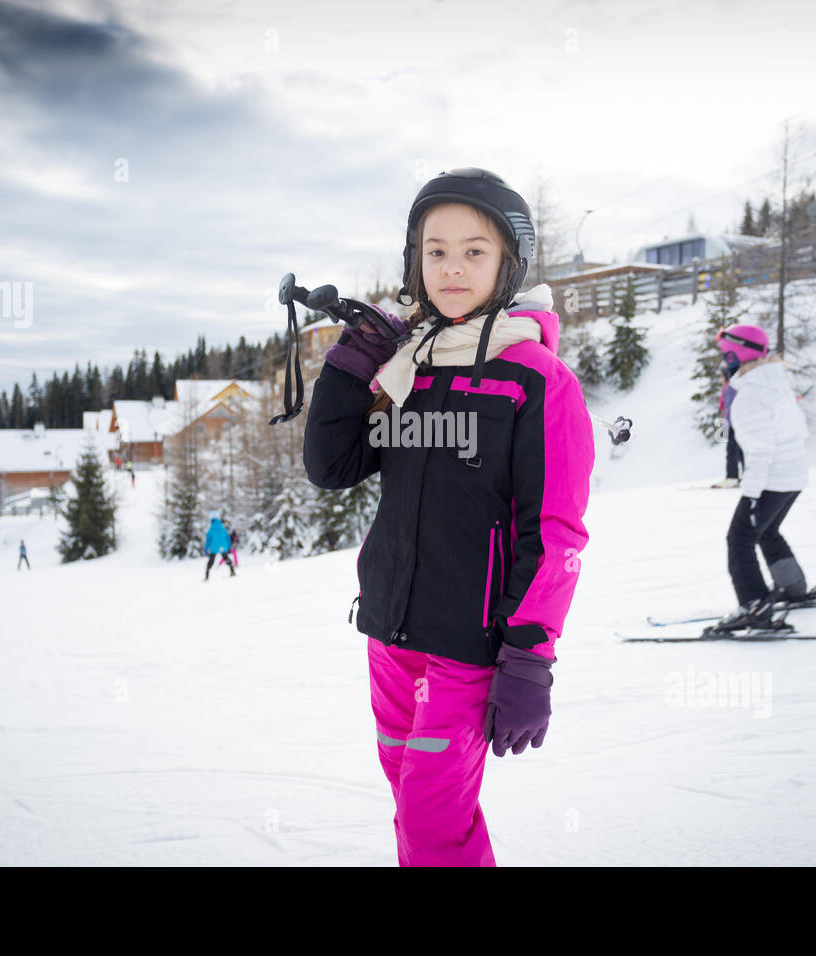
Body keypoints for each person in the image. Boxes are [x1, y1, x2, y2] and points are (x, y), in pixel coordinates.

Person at [303, 167, 594, 866]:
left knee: (433, 818)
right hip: (390, 634)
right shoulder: (411, 369)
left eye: (474, 250)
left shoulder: (537, 380)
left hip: (469, 648)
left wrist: (530, 656)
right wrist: (352, 365)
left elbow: (555, 533)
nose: (452, 267)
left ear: (508, 264)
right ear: (414, 261)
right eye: (436, 251)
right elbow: (332, 466)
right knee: (419, 807)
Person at [711, 324, 811, 630]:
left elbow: (760, 451)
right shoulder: (775, 381)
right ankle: (793, 589)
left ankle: (754, 606)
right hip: (793, 476)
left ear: (736, 353)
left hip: (772, 479)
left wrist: (751, 495)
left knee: (739, 538)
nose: (722, 361)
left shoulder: (749, 395)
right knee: (767, 532)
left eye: (725, 354)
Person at [711, 370, 744, 488]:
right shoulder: (728, 387)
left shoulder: (730, 388)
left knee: (732, 450)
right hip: (729, 422)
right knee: (739, 449)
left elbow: (726, 406)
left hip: (732, 423)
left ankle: (732, 477)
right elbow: (723, 405)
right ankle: (744, 475)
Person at [203, 510, 235, 580]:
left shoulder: (211, 529)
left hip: (213, 547)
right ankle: (232, 570)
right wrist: (229, 547)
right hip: (223, 547)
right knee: (226, 557)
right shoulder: (222, 528)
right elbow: (227, 538)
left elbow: (208, 540)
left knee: (211, 561)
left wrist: (206, 548)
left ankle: (207, 575)